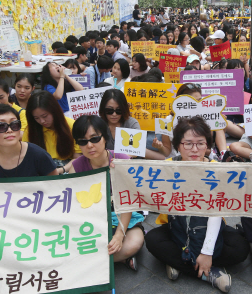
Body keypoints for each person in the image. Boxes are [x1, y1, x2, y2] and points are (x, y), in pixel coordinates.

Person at [145, 116, 250, 293]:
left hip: (208, 227)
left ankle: (180, 263)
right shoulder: (167, 167)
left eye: (200, 143)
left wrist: (208, 252)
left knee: (240, 248)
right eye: (188, 144)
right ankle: (209, 272)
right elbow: (139, 185)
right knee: (152, 239)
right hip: (178, 228)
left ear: (207, 145)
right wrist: (118, 167)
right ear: (178, 145)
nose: (195, 149)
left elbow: (217, 211)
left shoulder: (217, 168)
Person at [69, 115, 144, 270]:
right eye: (83, 141)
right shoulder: (76, 167)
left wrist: (119, 235)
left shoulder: (122, 160)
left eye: (94, 139)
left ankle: (92, 263)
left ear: (104, 137)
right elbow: (75, 209)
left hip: (121, 214)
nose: (89, 145)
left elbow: (128, 203)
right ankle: (117, 259)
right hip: (93, 220)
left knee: (134, 242)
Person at [0, 104, 58, 177]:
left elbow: (56, 185)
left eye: (15, 124)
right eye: (1, 126)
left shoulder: (38, 155)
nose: (9, 130)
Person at [23, 91, 81, 174]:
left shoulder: (72, 125)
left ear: (54, 111)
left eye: (45, 116)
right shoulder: (30, 130)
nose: (42, 121)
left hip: (66, 169)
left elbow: (77, 159)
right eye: (36, 118)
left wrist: (60, 170)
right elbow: (28, 159)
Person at [98, 89, 163, 160]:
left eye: (118, 110)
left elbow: (137, 150)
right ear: (103, 110)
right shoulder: (98, 124)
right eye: (109, 111)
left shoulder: (131, 123)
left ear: (124, 109)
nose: (114, 114)